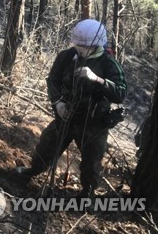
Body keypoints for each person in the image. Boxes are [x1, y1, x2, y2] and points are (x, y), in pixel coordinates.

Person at [16, 19, 127, 198]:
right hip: (67, 115)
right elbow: (53, 80)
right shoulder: (67, 56)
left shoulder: (108, 64)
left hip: (93, 123)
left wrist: (97, 80)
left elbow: (120, 93)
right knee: (47, 143)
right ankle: (34, 170)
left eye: (84, 46)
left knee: (92, 160)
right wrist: (58, 103)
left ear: (96, 44)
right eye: (77, 44)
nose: (79, 48)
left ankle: (87, 193)